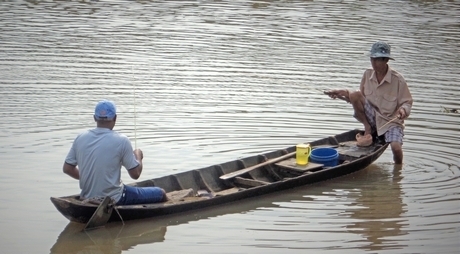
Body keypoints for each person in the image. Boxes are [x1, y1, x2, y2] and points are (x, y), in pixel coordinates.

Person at [63, 99, 167, 205]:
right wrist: (138, 156)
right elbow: (135, 174)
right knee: (161, 193)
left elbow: (67, 169)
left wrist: (90, 178)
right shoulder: (122, 140)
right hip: (116, 198)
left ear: (94, 118)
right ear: (115, 118)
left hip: (86, 197)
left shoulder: (80, 138)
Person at [325, 41, 413, 164]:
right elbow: (358, 98)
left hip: (391, 121)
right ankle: (368, 127)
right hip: (372, 117)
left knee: (396, 148)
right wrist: (340, 93)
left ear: (386, 60)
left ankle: (398, 171)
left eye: (377, 60)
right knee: (354, 93)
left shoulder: (398, 80)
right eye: (372, 59)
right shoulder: (367, 74)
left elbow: (407, 103)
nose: (373, 63)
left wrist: (403, 110)